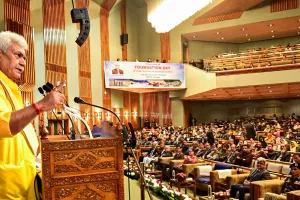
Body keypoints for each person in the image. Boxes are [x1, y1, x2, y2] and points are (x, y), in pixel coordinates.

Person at [0, 31, 65, 199]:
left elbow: (22, 131)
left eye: (25, 58)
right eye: (18, 55)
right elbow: (4, 124)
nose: (23, 62)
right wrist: (41, 105)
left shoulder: (11, 87)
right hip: (7, 186)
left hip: (25, 181)